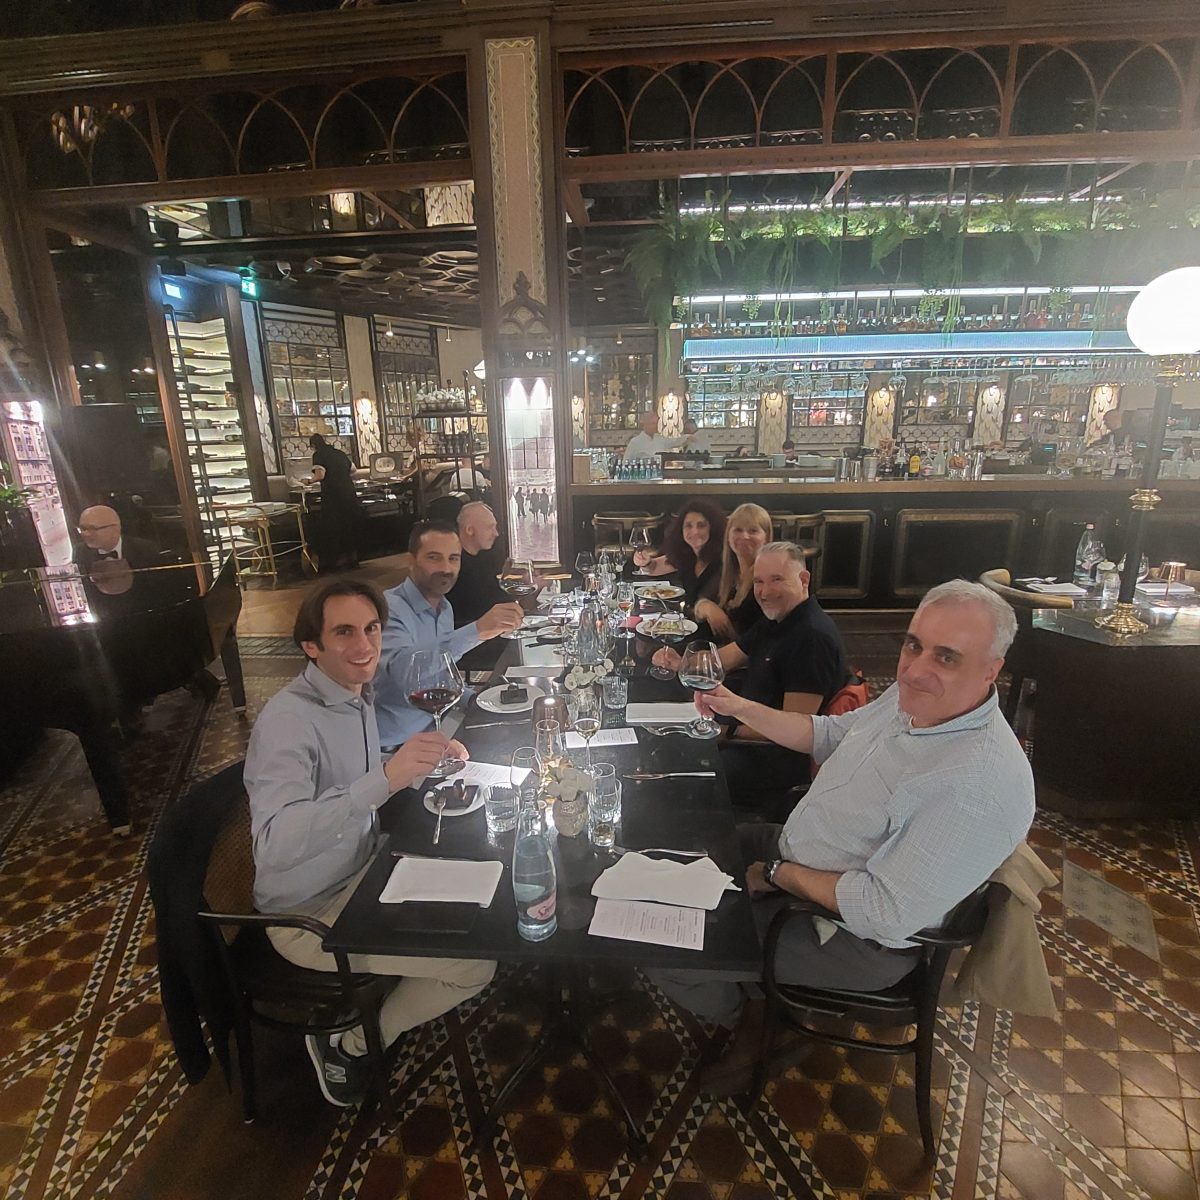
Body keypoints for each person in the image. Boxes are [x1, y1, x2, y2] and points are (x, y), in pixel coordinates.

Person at [649, 579, 1034, 1094]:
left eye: (946, 657)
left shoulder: (977, 783)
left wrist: (778, 874)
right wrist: (736, 706)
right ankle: (758, 987)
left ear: (991, 670)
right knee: (680, 849)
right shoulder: (914, 699)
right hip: (797, 851)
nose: (914, 669)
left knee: (660, 942)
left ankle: (762, 1017)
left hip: (848, 935)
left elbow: (883, 911)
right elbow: (828, 735)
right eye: (913, 645)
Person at [245, 578, 496, 1107]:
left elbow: (350, 780)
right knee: (475, 964)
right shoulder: (288, 721)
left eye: (372, 628)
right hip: (310, 915)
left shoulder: (352, 696)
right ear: (311, 645)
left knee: (482, 881)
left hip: (366, 867)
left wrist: (414, 759)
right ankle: (350, 1043)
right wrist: (385, 779)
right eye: (344, 632)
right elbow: (274, 841)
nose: (364, 645)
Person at [652, 541, 848, 814]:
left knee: (681, 772)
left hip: (773, 759)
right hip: (747, 727)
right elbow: (724, 659)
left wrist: (729, 729)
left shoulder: (811, 639)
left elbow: (796, 727)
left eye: (776, 580)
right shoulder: (776, 620)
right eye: (758, 582)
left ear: (803, 580)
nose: (764, 592)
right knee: (663, 741)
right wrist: (680, 663)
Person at [374, 521, 523, 749]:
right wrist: (476, 631)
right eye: (434, 558)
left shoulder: (444, 608)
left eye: (453, 558)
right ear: (410, 561)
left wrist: (476, 700)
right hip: (396, 746)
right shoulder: (388, 608)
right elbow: (403, 674)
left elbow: (439, 677)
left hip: (440, 727)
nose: (446, 568)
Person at [694, 502, 771, 642]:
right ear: (728, 537)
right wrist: (708, 608)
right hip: (719, 646)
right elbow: (700, 601)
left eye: (753, 531)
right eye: (738, 530)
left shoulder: (766, 579)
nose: (745, 536)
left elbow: (753, 641)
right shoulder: (729, 569)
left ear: (766, 538)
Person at [633, 499, 726, 612]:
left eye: (701, 525)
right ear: (681, 530)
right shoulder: (687, 554)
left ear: (712, 528)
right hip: (692, 617)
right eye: (688, 526)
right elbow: (654, 567)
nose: (695, 531)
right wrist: (645, 562)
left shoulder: (723, 558)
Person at [446, 501, 509, 627]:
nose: (496, 533)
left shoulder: (487, 558)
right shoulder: (451, 566)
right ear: (469, 530)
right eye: (490, 527)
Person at [309, 433, 363, 572]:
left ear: (313, 445)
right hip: (349, 492)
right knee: (349, 525)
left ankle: (334, 563)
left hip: (333, 496)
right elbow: (353, 470)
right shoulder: (340, 453)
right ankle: (353, 560)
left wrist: (308, 481)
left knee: (334, 527)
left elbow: (320, 475)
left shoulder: (318, 455)